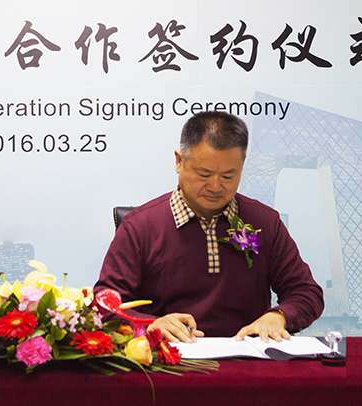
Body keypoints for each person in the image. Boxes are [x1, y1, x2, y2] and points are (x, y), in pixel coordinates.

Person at [95, 112, 323, 343]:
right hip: (168, 355)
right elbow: (105, 304)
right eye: (204, 174)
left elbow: (306, 293)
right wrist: (150, 325)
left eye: (228, 176)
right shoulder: (140, 227)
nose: (215, 186)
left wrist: (279, 316)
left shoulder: (264, 222)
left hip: (247, 355)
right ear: (179, 162)